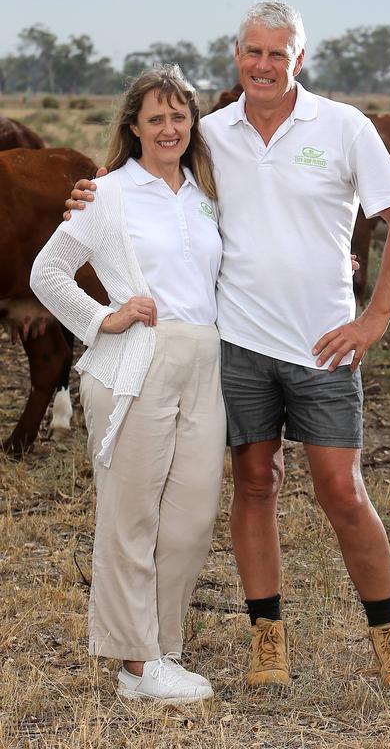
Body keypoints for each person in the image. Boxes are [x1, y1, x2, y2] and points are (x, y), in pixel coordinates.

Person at [69, 1, 390, 696]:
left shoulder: (343, 126)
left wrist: (375, 318)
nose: (264, 65)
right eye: (252, 52)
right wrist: (89, 197)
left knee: (343, 491)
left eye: (279, 53)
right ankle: (268, 641)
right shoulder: (211, 134)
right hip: (236, 346)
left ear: (301, 59)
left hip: (324, 346)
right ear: (237, 56)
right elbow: (150, 181)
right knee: (256, 485)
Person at [32, 66, 224, 705]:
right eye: (155, 119)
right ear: (134, 128)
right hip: (135, 362)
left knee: (192, 518)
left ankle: (162, 647)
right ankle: (137, 665)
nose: (169, 129)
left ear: (190, 123)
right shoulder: (108, 194)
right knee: (130, 516)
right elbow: (48, 270)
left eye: (178, 117)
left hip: (205, 361)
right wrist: (99, 318)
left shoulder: (205, 193)